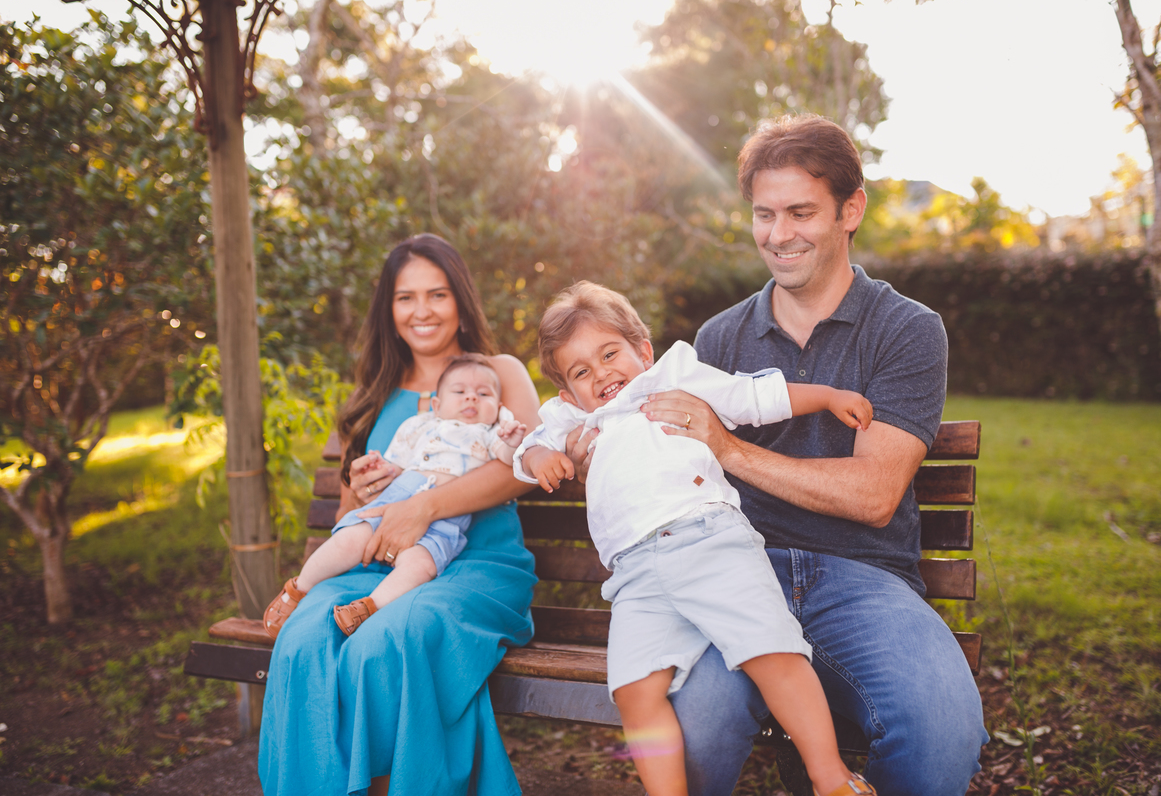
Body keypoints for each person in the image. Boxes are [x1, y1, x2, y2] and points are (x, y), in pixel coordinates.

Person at [566, 115, 988, 795]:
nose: (778, 233)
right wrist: (598, 450)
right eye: (765, 214)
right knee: (694, 728)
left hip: (863, 579)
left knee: (942, 732)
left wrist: (728, 447)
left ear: (851, 210)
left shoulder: (906, 329)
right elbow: (654, 449)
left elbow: (873, 496)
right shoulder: (720, 336)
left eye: (801, 212)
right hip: (732, 568)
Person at [516, 281, 877, 796]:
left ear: (643, 350)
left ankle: (830, 777)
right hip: (635, 573)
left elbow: (756, 396)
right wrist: (541, 458)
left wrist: (828, 396)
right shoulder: (572, 420)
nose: (601, 375)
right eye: (581, 372)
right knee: (635, 690)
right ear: (567, 393)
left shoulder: (676, 377)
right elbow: (529, 446)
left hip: (708, 540)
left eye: (610, 353)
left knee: (772, 650)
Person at [258, 234, 540, 796]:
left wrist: (424, 507)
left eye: (437, 294)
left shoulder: (500, 370)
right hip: (372, 566)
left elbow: (523, 468)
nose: (422, 311)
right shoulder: (373, 396)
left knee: (383, 642)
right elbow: (349, 513)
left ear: (460, 300)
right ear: (389, 310)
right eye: (405, 298)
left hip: (473, 566)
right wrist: (364, 492)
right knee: (303, 640)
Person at [262, 354, 528, 638]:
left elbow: (509, 459)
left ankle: (369, 607)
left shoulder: (489, 435)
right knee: (351, 539)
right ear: (437, 405)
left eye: (483, 394)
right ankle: (299, 588)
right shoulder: (421, 425)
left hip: (446, 520)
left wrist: (512, 441)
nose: (471, 399)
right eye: (460, 392)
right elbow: (396, 464)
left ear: (498, 408)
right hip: (398, 499)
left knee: (421, 565)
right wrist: (379, 469)